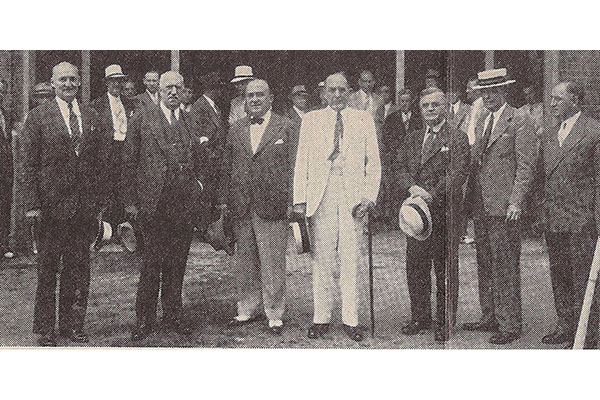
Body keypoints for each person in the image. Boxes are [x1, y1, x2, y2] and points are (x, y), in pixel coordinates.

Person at [22, 62, 111, 346]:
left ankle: (73, 325)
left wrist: (98, 203)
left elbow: (99, 163)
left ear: (79, 84)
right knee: (48, 269)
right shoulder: (38, 117)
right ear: (52, 83)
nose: (69, 84)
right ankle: (46, 329)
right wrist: (32, 204)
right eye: (63, 79)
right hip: (50, 207)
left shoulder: (91, 115)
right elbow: (28, 165)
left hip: (83, 208)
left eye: (73, 79)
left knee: (79, 267)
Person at [293, 72, 381, 342]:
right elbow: (302, 162)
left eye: (342, 90)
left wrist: (369, 196)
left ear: (349, 91)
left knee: (351, 257)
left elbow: (373, 161)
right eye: (332, 90)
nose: (337, 95)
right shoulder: (311, 120)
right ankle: (321, 317)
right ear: (324, 93)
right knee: (322, 259)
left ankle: (351, 318)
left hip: (352, 196)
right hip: (322, 194)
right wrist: (300, 201)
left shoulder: (363, 118)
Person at [123, 71, 205, 341]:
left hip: (182, 205)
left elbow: (199, 159)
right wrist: (131, 203)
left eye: (177, 88)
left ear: (183, 92)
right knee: (151, 265)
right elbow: (128, 164)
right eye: (168, 87)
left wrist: (198, 189)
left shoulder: (189, 120)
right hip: (154, 205)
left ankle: (173, 315)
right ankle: (144, 319)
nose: (173, 92)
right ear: (158, 90)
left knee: (177, 264)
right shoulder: (141, 120)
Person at [462, 68, 536, 345]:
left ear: (504, 91)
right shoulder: (482, 118)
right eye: (483, 92)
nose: (488, 97)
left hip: (505, 207)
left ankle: (510, 324)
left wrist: (516, 201)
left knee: (505, 264)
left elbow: (526, 166)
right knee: (485, 261)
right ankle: (489, 316)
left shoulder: (520, 119)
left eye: (493, 91)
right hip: (482, 203)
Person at [219, 79, 297, 335]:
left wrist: (292, 202)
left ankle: (274, 312)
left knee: (273, 261)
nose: (254, 100)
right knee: (246, 261)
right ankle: (246, 308)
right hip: (242, 205)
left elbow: (294, 166)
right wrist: (226, 203)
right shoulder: (235, 128)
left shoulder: (286, 126)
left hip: (272, 204)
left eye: (260, 95)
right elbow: (227, 168)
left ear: (271, 97)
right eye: (250, 95)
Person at [396, 87, 470, 342]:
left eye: (435, 105)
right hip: (417, 216)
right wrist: (412, 188)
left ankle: (445, 321)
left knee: (444, 270)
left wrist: (431, 194)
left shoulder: (457, 138)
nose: (430, 109)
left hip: (443, 214)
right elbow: (400, 166)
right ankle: (420, 316)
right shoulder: (413, 138)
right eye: (425, 105)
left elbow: (458, 173)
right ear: (420, 109)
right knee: (415, 267)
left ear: (445, 108)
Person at [540, 81, 600, 349]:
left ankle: (587, 331)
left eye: (557, 99)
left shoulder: (593, 130)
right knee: (560, 275)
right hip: (555, 218)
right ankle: (565, 326)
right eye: (551, 99)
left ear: (574, 100)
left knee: (584, 277)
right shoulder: (552, 133)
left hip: (582, 219)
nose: (552, 104)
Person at [90, 64, 129, 236]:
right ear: (106, 83)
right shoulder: (97, 106)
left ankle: (124, 229)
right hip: (107, 153)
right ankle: (106, 231)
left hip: (126, 151)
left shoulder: (130, 104)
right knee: (107, 191)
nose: (116, 84)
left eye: (119, 81)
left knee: (124, 189)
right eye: (113, 81)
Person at [381, 88, 422, 226]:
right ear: (398, 102)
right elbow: (386, 139)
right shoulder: (391, 118)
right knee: (395, 190)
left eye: (407, 101)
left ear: (412, 102)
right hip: (396, 160)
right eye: (402, 101)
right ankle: (396, 220)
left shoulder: (418, 118)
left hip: (413, 161)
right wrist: (397, 152)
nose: (404, 104)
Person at [0, 79, 14, 259]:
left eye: (2, 92)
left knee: (4, 206)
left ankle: (3, 244)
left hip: (4, 169)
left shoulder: (6, 115)